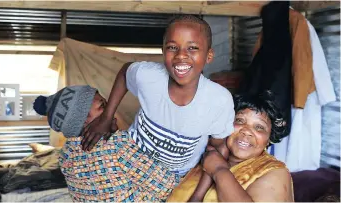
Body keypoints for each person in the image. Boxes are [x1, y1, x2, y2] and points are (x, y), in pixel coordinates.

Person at [81, 14, 235, 178]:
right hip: (129, 158)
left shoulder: (219, 101)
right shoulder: (149, 76)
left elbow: (217, 149)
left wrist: (197, 195)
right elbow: (126, 72)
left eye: (192, 48)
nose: (181, 55)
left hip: (177, 175)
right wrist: (106, 116)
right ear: (163, 51)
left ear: (208, 56)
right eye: (172, 47)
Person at [33, 85, 179, 202]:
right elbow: (168, 186)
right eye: (103, 107)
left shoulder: (66, 155)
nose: (111, 114)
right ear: (82, 121)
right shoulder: (117, 145)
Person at [167, 91, 294, 202]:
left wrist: (219, 170)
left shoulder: (275, 172)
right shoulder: (207, 154)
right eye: (239, 120)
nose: (246, 130)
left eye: (259, 127)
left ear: (269, 139)